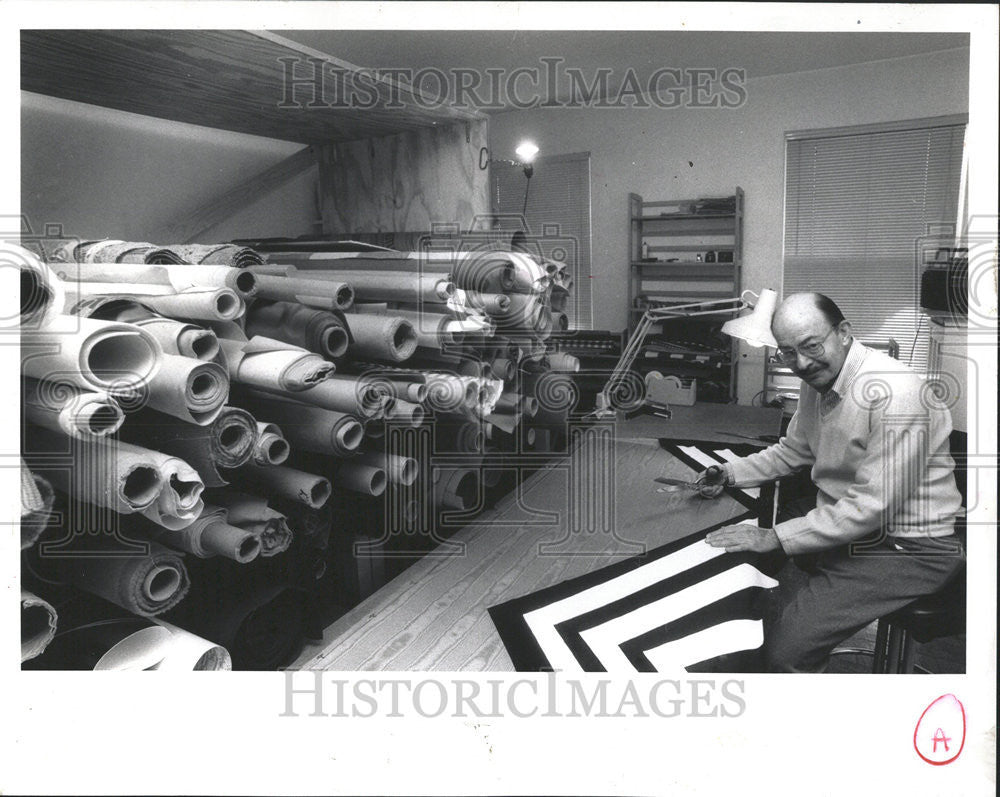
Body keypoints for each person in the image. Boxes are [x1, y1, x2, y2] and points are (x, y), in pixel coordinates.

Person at [699, 292, 964, 672]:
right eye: (788, 353)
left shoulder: (896, 394)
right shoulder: (821, 378)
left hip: (909, 548)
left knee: (785, 652)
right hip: (861, 528)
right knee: (745, 566)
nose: (801, 363)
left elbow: (870, 507)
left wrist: (776, 536)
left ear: (843, 332)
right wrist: (728, 473)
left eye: (811, 346)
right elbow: (792, 452)